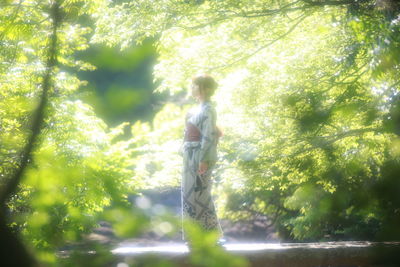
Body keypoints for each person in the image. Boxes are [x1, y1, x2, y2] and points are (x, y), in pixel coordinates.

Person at [181, 74, 224, 245]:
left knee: (201, 193)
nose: (192, 88)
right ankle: (194, 236)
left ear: (205, 89)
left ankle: (211, 235)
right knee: (188, 194)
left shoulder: (208, 109)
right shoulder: (196, 109)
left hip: (200, 154)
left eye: (195, 85)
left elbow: (208, 135)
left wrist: (204, 159)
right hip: (189, 154)